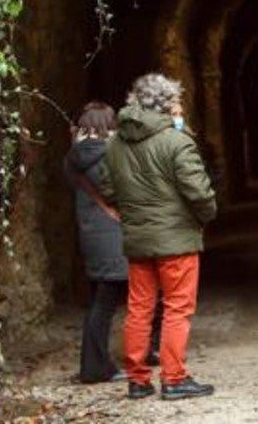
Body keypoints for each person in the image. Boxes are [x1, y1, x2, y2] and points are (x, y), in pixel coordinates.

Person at [99, 74, 218, 401]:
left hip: (138, 238)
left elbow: (107, 187)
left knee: (139, 309)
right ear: (168, 104)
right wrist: (206, 215)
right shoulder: (176, 142)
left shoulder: (115, 143)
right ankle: (174, 377)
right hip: (176, 239)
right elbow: (197, 191)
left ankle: (137, 380)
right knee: (177, 308)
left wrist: (130, 211)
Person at [63, 102, 130, 384]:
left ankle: (97, 364)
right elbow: (116, 191)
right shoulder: (105, 155)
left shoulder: (73, 157)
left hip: (90, 234)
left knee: (99, 302)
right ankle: (95, 367)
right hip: (111, 237)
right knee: (105, 304)